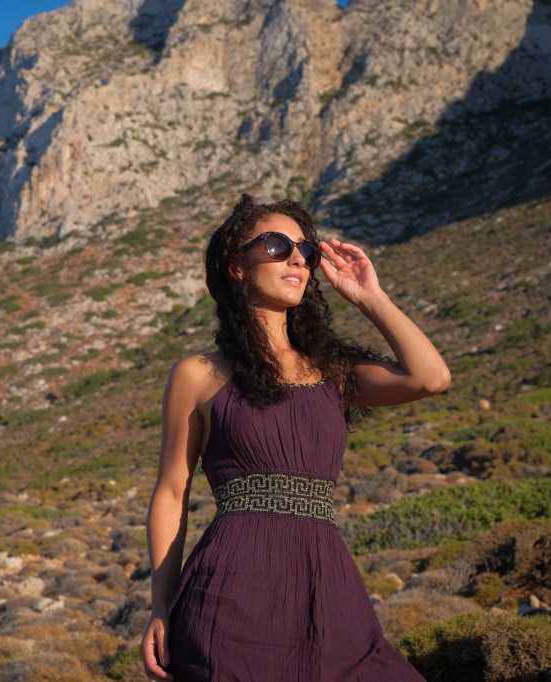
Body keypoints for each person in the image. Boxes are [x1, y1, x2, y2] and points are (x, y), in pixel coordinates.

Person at [140, 194, 451, 681]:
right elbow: (171, 493)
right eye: (276, 245)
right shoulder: (198, 375)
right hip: (230, 595)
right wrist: (161, 606)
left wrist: (369, 297)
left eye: (306, 250)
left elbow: (430, 377)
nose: (296, 259)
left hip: (327, 588)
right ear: (236, 266)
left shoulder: (333, 373)